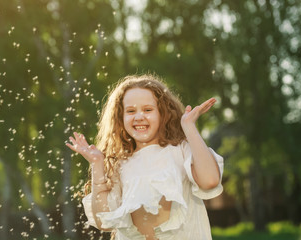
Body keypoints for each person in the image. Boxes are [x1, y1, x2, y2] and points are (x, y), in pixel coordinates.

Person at [66, 74, 224, 240]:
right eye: (131, 111)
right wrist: (97, 164)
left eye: (148, 110)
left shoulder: (180, 149)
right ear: (121, 117)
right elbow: (103, 221)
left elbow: (210, 181)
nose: (139, 116)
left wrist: (188, 126)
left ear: (163, 113)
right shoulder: (119, 162)